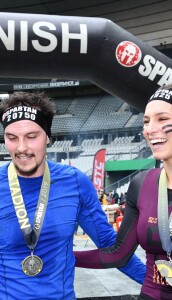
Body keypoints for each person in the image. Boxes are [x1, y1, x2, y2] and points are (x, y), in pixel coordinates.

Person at [0, 91, 145, 300]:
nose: (21, 148)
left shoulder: (75, 183)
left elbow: (111, 246)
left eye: (31, 137)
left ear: (48, 137)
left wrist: (160, 286)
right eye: (12, 138)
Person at [74, 84, 172, 299]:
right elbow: (118, 255)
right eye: (146, 121)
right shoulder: (142, 184)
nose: (149, 129)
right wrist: (62, 256)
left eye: (162, 119)